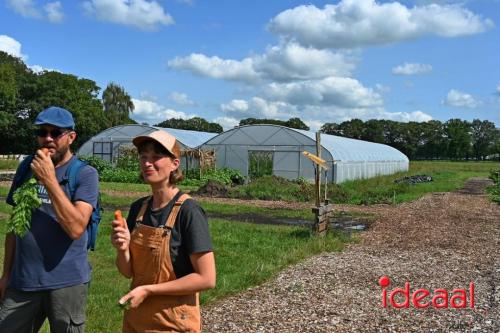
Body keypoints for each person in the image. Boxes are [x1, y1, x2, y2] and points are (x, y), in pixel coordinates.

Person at [0, 106, 99, 332]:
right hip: (22, 281)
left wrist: (50, 180)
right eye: (42, 132)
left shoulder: (85, 174)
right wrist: (6, 275)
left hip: (66, 284)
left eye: (56, 133)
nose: (47, 139)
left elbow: (75, 228)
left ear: (71, 137)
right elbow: (15, 225)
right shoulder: (27, 168)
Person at [111, 130, 216, 333]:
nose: (148, 163)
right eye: (144, 157)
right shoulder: (138, 209)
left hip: (173, 322)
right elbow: (127, 272)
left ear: (174, 164)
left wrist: (150, 290)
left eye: (156, 157)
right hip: (137, 320)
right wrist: (122, 249)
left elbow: (207, 278)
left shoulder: (189, 212)